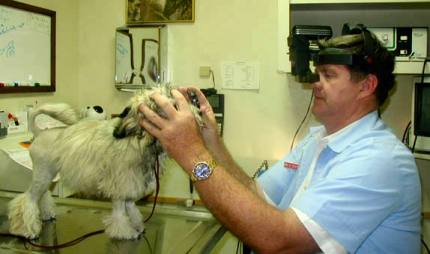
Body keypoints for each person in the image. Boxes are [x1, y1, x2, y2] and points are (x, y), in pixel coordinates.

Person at [139, 26, 421, 253]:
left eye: (329, 75)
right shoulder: (319, 141)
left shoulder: (378, 159)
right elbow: (254, 192)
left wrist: (191, 153)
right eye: (318, 74)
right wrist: (210, 140)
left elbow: (280, 241)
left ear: (366, 86)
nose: (315, 83)